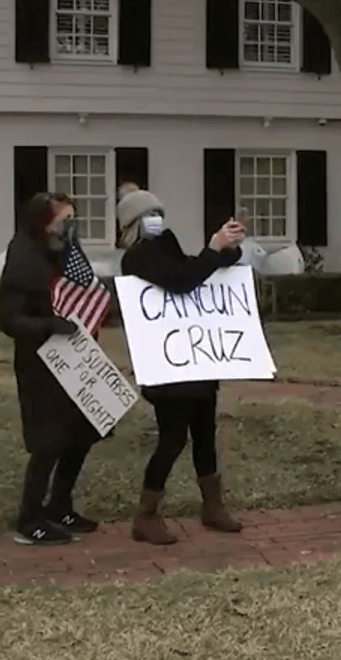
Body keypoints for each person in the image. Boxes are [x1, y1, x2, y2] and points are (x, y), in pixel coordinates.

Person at [117, 186, 246, 545]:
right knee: (172, 439)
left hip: (195, 363)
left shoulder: (166, 248)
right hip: (167, 368)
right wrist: (212, 250)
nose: (156, 220)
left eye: (157, 213)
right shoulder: (137, 259)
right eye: (148, 216)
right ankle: (146, 514)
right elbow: (182, 281)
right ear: (133, 224)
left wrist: (226, 248)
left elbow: (195, 268)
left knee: (205, 435)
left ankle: (213, 505)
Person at [0, 192, 105, 546]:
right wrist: (47, 325)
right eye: (64, 221)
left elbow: (83, 289)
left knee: (81, 434)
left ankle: (60, 504)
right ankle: (30, 516)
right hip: (40, 363)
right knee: (48, 442)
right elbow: (9, 319)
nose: (70, 228)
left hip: (74, 356)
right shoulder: (23, 259)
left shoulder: (65, 253)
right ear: (43, 222)